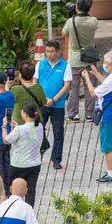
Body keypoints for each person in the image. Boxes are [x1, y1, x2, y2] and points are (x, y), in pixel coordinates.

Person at [81, 50, 112, 182]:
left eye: (105, 62)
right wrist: (96, 73)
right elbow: (107, 83)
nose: (103, 64)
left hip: (107, 117)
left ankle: (111, 173)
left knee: (107, 147)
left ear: (109, 64)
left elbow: (93, 93)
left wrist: (87, 78)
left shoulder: (111, 80)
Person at [62, 0, 98, 123]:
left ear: (76, 6)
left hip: (75, 60)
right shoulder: (93, 21)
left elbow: (64, 33)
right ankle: (90, 113)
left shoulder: (71, 22)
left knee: (73, 87)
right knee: (90, 86)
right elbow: (92, 25)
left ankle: (73, 114)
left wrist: (72, 16)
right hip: (90, 58)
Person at [37, 40, 71, 170]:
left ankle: (56, 159)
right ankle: (39, 153)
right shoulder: (41, 64)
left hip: (58, 105)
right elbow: (35, 82)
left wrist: (54, 99)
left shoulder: (65, 65)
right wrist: (43, 98)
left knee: (58, 133)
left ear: (58, 52)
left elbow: (67, 85)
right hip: (42, 104)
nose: (49, 54)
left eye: (52, 51)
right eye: (47, 51)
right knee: (38, 130)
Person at [2, 103, 43, 207]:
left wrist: (4, 126)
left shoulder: (20, 130)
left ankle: (14, 209)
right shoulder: (40, 126)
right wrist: (17, 128)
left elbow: (6, 140)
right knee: (31, 190)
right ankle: (29, 211)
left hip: (18, 165)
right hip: (34, 164)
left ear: (25, 114)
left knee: (14, 190)